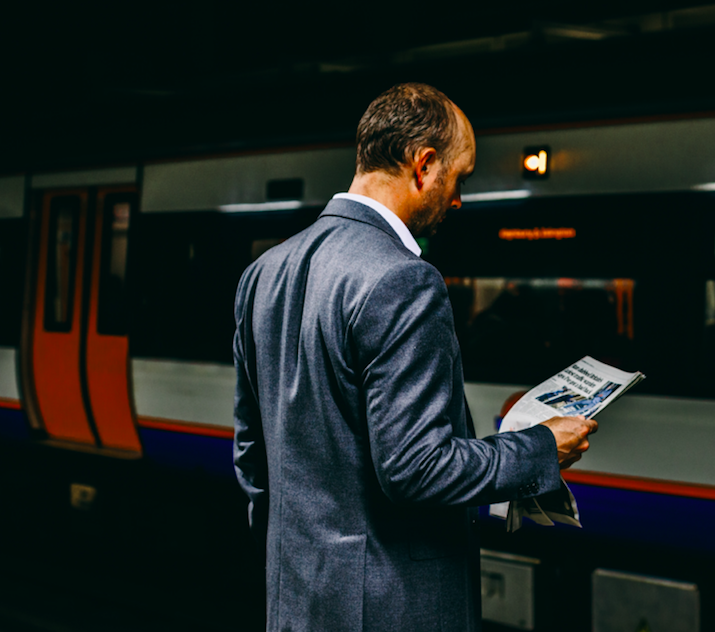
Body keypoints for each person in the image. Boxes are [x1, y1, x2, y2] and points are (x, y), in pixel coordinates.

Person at [232, 83, 598, 632]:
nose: (457, 200)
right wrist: (541, 447)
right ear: (423, 164)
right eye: (460, 180)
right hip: (391, 610)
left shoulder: (265, 273)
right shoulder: (404, 279)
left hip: (295, 603)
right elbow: (415, 468)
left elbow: (250, 456)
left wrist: (301, 562)